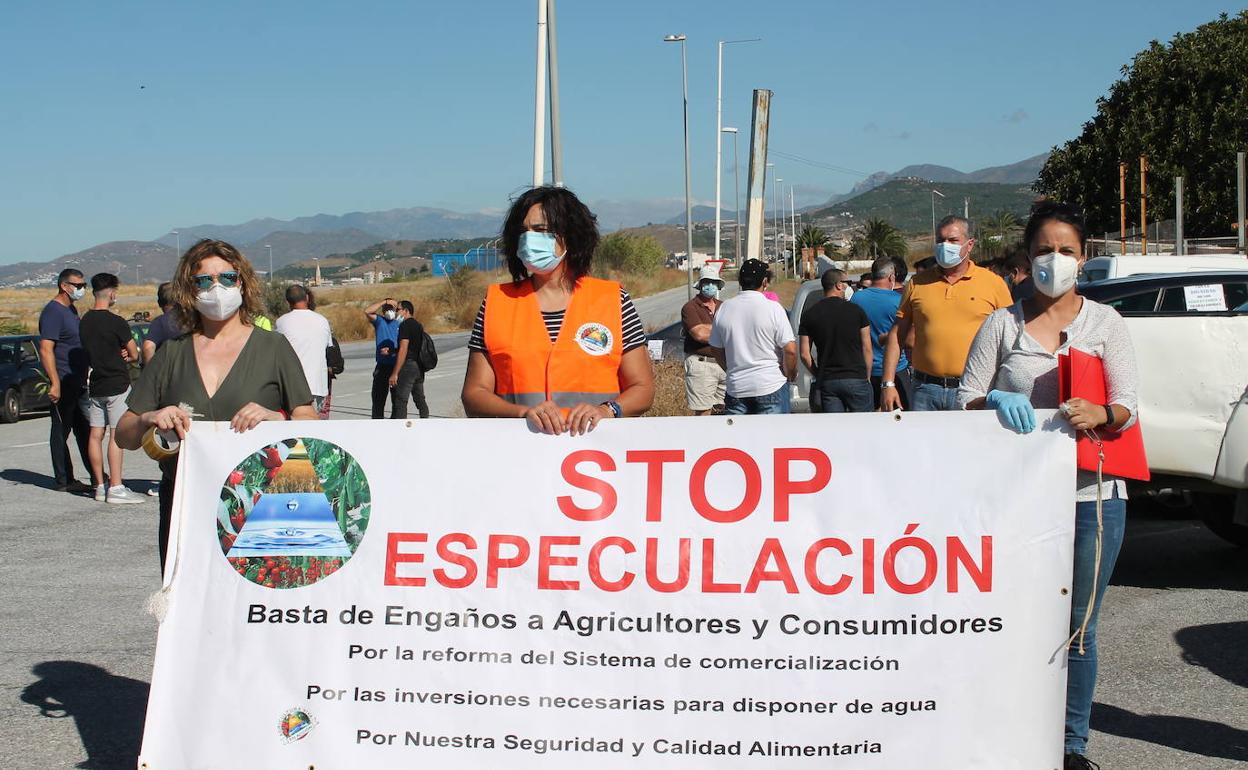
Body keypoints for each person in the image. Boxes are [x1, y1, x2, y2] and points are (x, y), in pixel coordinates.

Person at [956, 201, 1137, 770]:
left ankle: (1070, 745)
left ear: (1083, 259)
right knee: (1014, 618)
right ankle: (1011, 733)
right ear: (1025, 257)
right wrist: (993, 400)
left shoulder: (1106, 324)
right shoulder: (1001, 323)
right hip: (1018, 500)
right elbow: (965, 398)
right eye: (1043, 250)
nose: (1053, 260)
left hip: (1092, 496)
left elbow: (1129, 408)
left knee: (1078, 624)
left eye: (1066, 250)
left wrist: (1102, 412)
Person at [116, 239, 317, 570]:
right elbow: (124, 434)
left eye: (226, 277)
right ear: (188, 289)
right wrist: (151, 416)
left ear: (242, 282)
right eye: (203, 280)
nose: (216, 287)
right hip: (185, 505)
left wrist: (277, 417)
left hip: (262, 508)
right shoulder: (172, 354)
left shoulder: (273, 348)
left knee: (257, 609)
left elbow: (309, 419)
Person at [462, 186, 654, 434]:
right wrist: (523, 414)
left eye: (541, 230)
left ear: (571, 236)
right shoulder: (495, 302)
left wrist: (607, 410)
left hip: (594, 454)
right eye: (523, 231)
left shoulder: (613, 300)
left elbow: (643, 389)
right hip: (519, 452)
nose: (529, 238)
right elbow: (473, 394)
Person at [881, 215, 1012, 411]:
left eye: (952, 240)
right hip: (924, 389)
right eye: (940, 240)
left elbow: (1009, 337)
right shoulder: (917, 283)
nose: (945, 245)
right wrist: (888, 384)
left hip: (973, 391)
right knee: (923, 442)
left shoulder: (993, 284)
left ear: (970, 244)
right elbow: (897, 334)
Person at [78, 273, 144, 504]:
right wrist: (126, 354)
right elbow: (134, 353)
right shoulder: (116, 322)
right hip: (116, 382)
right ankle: (116, 486)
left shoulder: (84, 321)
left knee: (95, 435)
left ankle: (99, 485)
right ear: (112, 293)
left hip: (96, 384)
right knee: (116, 436)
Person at [709, 258, 797, 415]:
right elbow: (790, 350)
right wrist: (789, 374)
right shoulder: (773, 308)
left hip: (737, 388)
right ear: (764, 282)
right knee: (774, 439)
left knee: (738, 439)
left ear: (740, 281)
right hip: (770, 385)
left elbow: (716, 348)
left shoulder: (724, 309)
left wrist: (731, 369)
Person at [38, 268, 92, 493]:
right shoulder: (53, 312)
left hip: (78, 379)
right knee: (61, 430)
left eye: (83, 286)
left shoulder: (71, 309)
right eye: (77, 286)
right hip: (64, 380)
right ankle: (64, 479)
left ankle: (97, 474)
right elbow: (46, 348)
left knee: (85, 430)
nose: (81, 290)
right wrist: (55, 382)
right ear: (64, 285)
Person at [798, 269, 872, 413]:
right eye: (847, 283)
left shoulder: (809, 315)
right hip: (856, 377)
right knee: (864, 429)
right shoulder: (857, 311)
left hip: (828, 381)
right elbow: (867, 348)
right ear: (838, 285)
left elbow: (804, 354)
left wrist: (818, 374)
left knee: (834, 430)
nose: (848, 287)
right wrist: (866, 376)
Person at [852, 256, 914, 409]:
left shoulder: (856, 298)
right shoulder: (898, 301)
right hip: (896, 371)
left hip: (866, 371)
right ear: (891, 277)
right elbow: (909, 339)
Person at [274, 283, 333, 415]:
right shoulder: (322, 320)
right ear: (307, 298)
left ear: (288, 301)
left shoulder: (281, 322)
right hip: (317, 385)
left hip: (292, 388)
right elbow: (328, 348)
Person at [680, 263, 726, 415]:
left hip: (724, 364)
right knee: (704, 414)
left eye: (714, 282)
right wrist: (722, 330)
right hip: (702, 364)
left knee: (724, 412)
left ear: (719, 285)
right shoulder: (690, 307)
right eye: (707, 282)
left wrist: (710, 328)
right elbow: (699, 334)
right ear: (700, 285)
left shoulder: (724, 306)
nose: (710, 286)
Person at [389, 300, 430, 419]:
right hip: (419, 366)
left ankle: (401, 430)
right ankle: (426, 422)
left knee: (401, 400)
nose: (396, 312)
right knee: (420, 399)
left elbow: (404, 349)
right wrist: (392, 351)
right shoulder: (418, 325)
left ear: (406, 311)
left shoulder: (404, 325)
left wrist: (395, 373)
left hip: (408, 367)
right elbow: (414, 346)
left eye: (398, 309)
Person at [364, 298, 402, 419]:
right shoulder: (380, 321)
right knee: (378, 401)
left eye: (391, 308)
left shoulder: (400, 323)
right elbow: (367, 311)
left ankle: (394, 425)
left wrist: (395, 305)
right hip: (382, 366)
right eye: (386, 309)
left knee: (397, 402)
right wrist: (384, 302)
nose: (389, 311)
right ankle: (377, 425)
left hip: (396, 366)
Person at [143, 282, 183, 365]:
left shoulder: (160, 323)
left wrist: (151, 373)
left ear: (159, 302)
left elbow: (148, 347)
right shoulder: (192, 319)